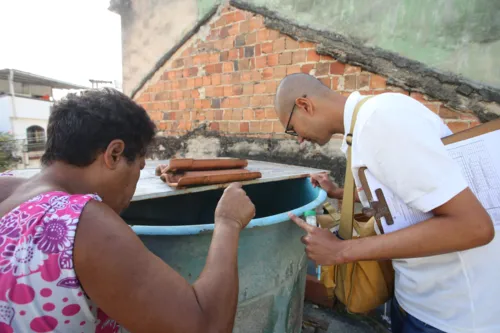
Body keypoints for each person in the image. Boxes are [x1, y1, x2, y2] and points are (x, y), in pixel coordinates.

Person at [0, 88, 256, 333]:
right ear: (114, 154)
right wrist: (228, 222)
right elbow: (207, 327)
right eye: (140, 166)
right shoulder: (82, 224)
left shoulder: (7, 187)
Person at [275, 73, 499, 333]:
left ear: (304, 105)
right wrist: (338, 193)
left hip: (449, 314)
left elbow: (473, 226)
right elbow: (406, 193)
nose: (299, 139)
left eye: (292, 129)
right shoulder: (363, 126)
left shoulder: (379, 121)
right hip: (418, 298)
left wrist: (341, 251)